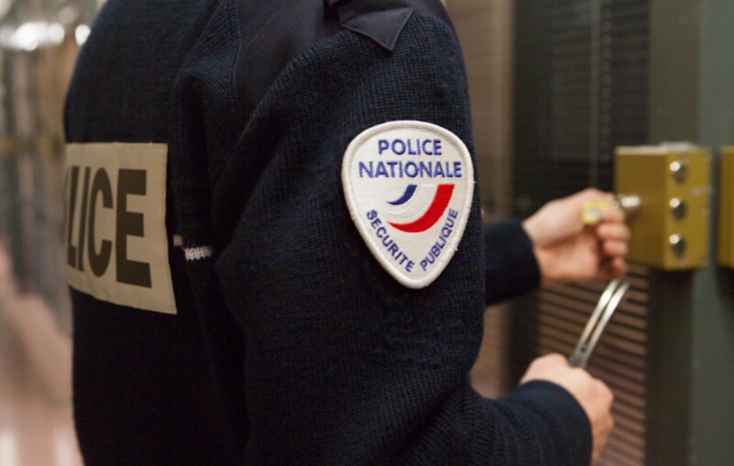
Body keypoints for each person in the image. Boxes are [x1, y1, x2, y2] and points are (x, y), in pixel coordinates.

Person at [63, 1, 625, 464]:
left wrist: (521, 251)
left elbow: (264, 292)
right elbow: (394, 450)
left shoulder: (124, 30)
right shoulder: (361, 35)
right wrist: (559, 421)